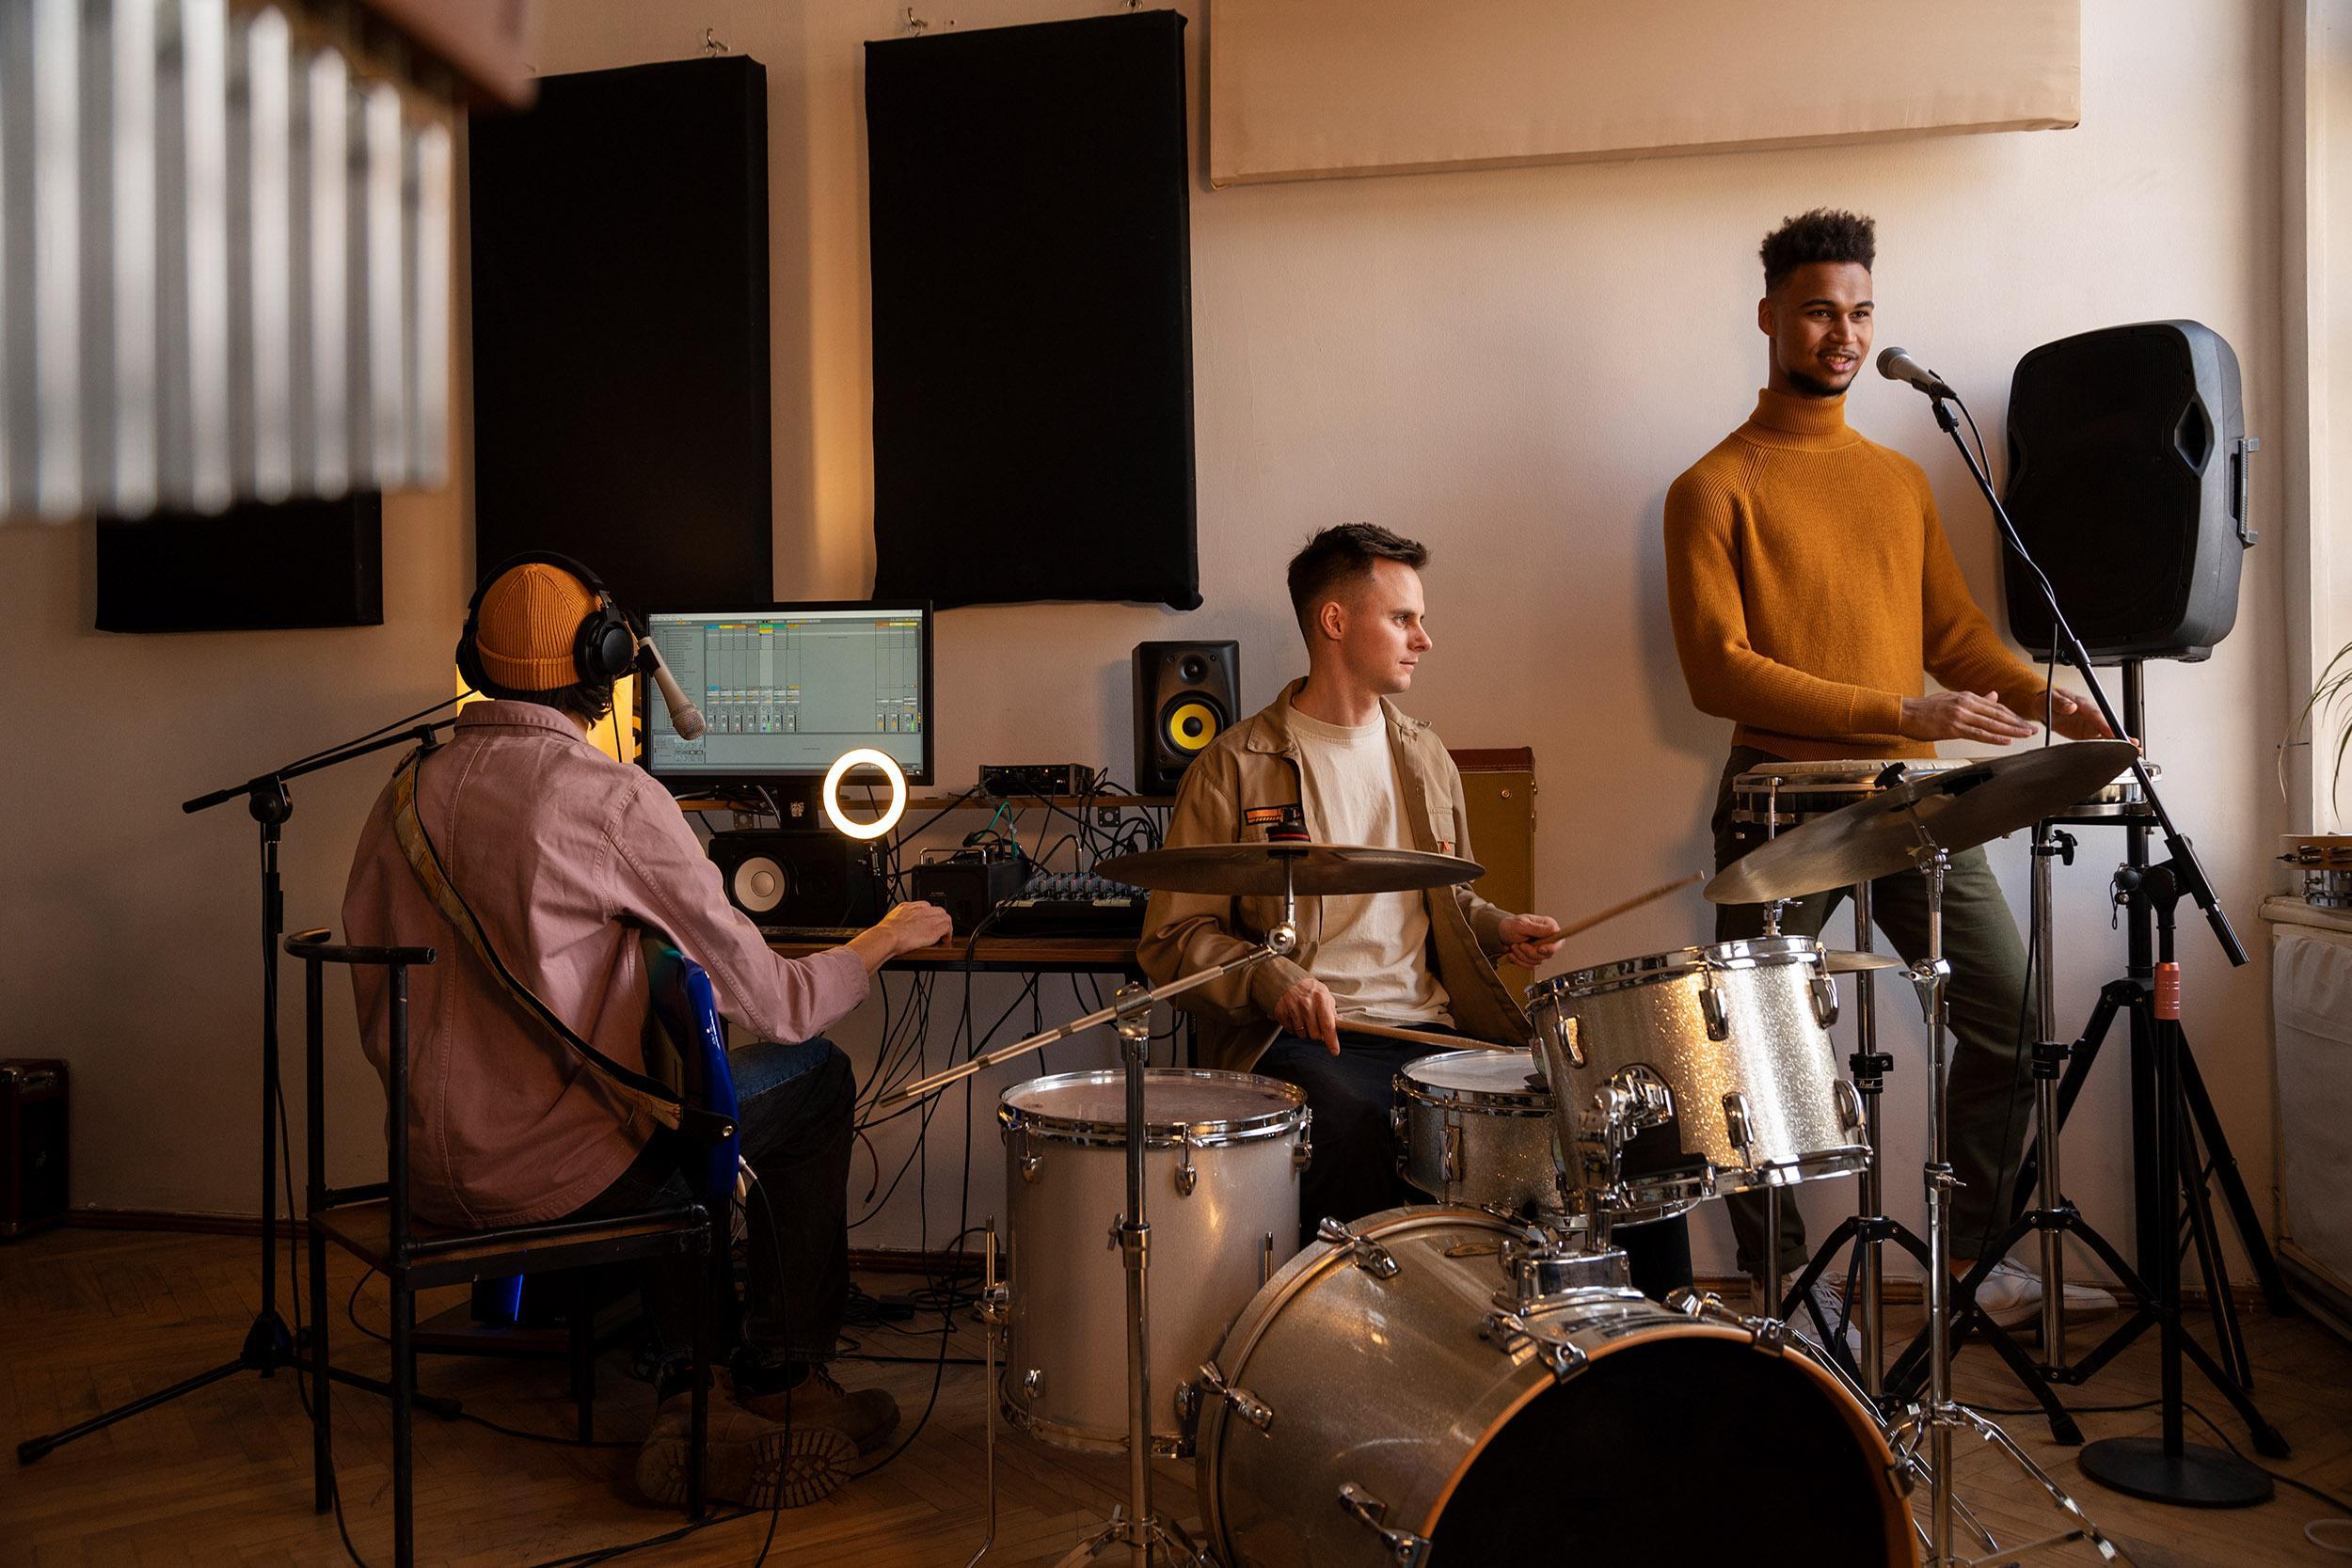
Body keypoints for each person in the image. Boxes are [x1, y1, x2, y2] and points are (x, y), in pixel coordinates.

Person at [342, 555, 953, 1509]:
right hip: (564, 1182)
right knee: (811, 1077)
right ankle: (775, 1376)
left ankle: (696, 1386)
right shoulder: (612, 800)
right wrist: (883, 936)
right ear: (608, 660)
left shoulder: (400, 794)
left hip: (419, 1170)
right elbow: (783, 1004)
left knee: (666, 1098)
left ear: (475, 658)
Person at [1661, 208, 2117, 1333]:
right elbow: (1719, 671)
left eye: (1860, 312)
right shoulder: (1712, 485)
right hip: (1778, 799)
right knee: (1748, 1045)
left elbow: (1954, 638)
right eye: (1820, 311)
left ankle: (1972, 1259)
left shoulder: (1901, 477)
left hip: (1913, 802)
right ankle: (1785, 1287)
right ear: (1769, 316)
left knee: (2009, 1012)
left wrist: (2047, 698)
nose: (1844, 334)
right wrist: (1900, 710)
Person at [1137, 525, 1692, 1295]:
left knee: (1629, 1116)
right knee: (1351, 1128)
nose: (1423, 639)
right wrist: (1272, 980)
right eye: (1403, 618)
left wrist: (1498, 926)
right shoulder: (1233, 766)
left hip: (1430, 1034)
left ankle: (1653, 1342)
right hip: (1310, 1043)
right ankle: (1360, 1340)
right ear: (1335, 621)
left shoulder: (1425, 755)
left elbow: (1443, 894)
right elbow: (1174, 937)